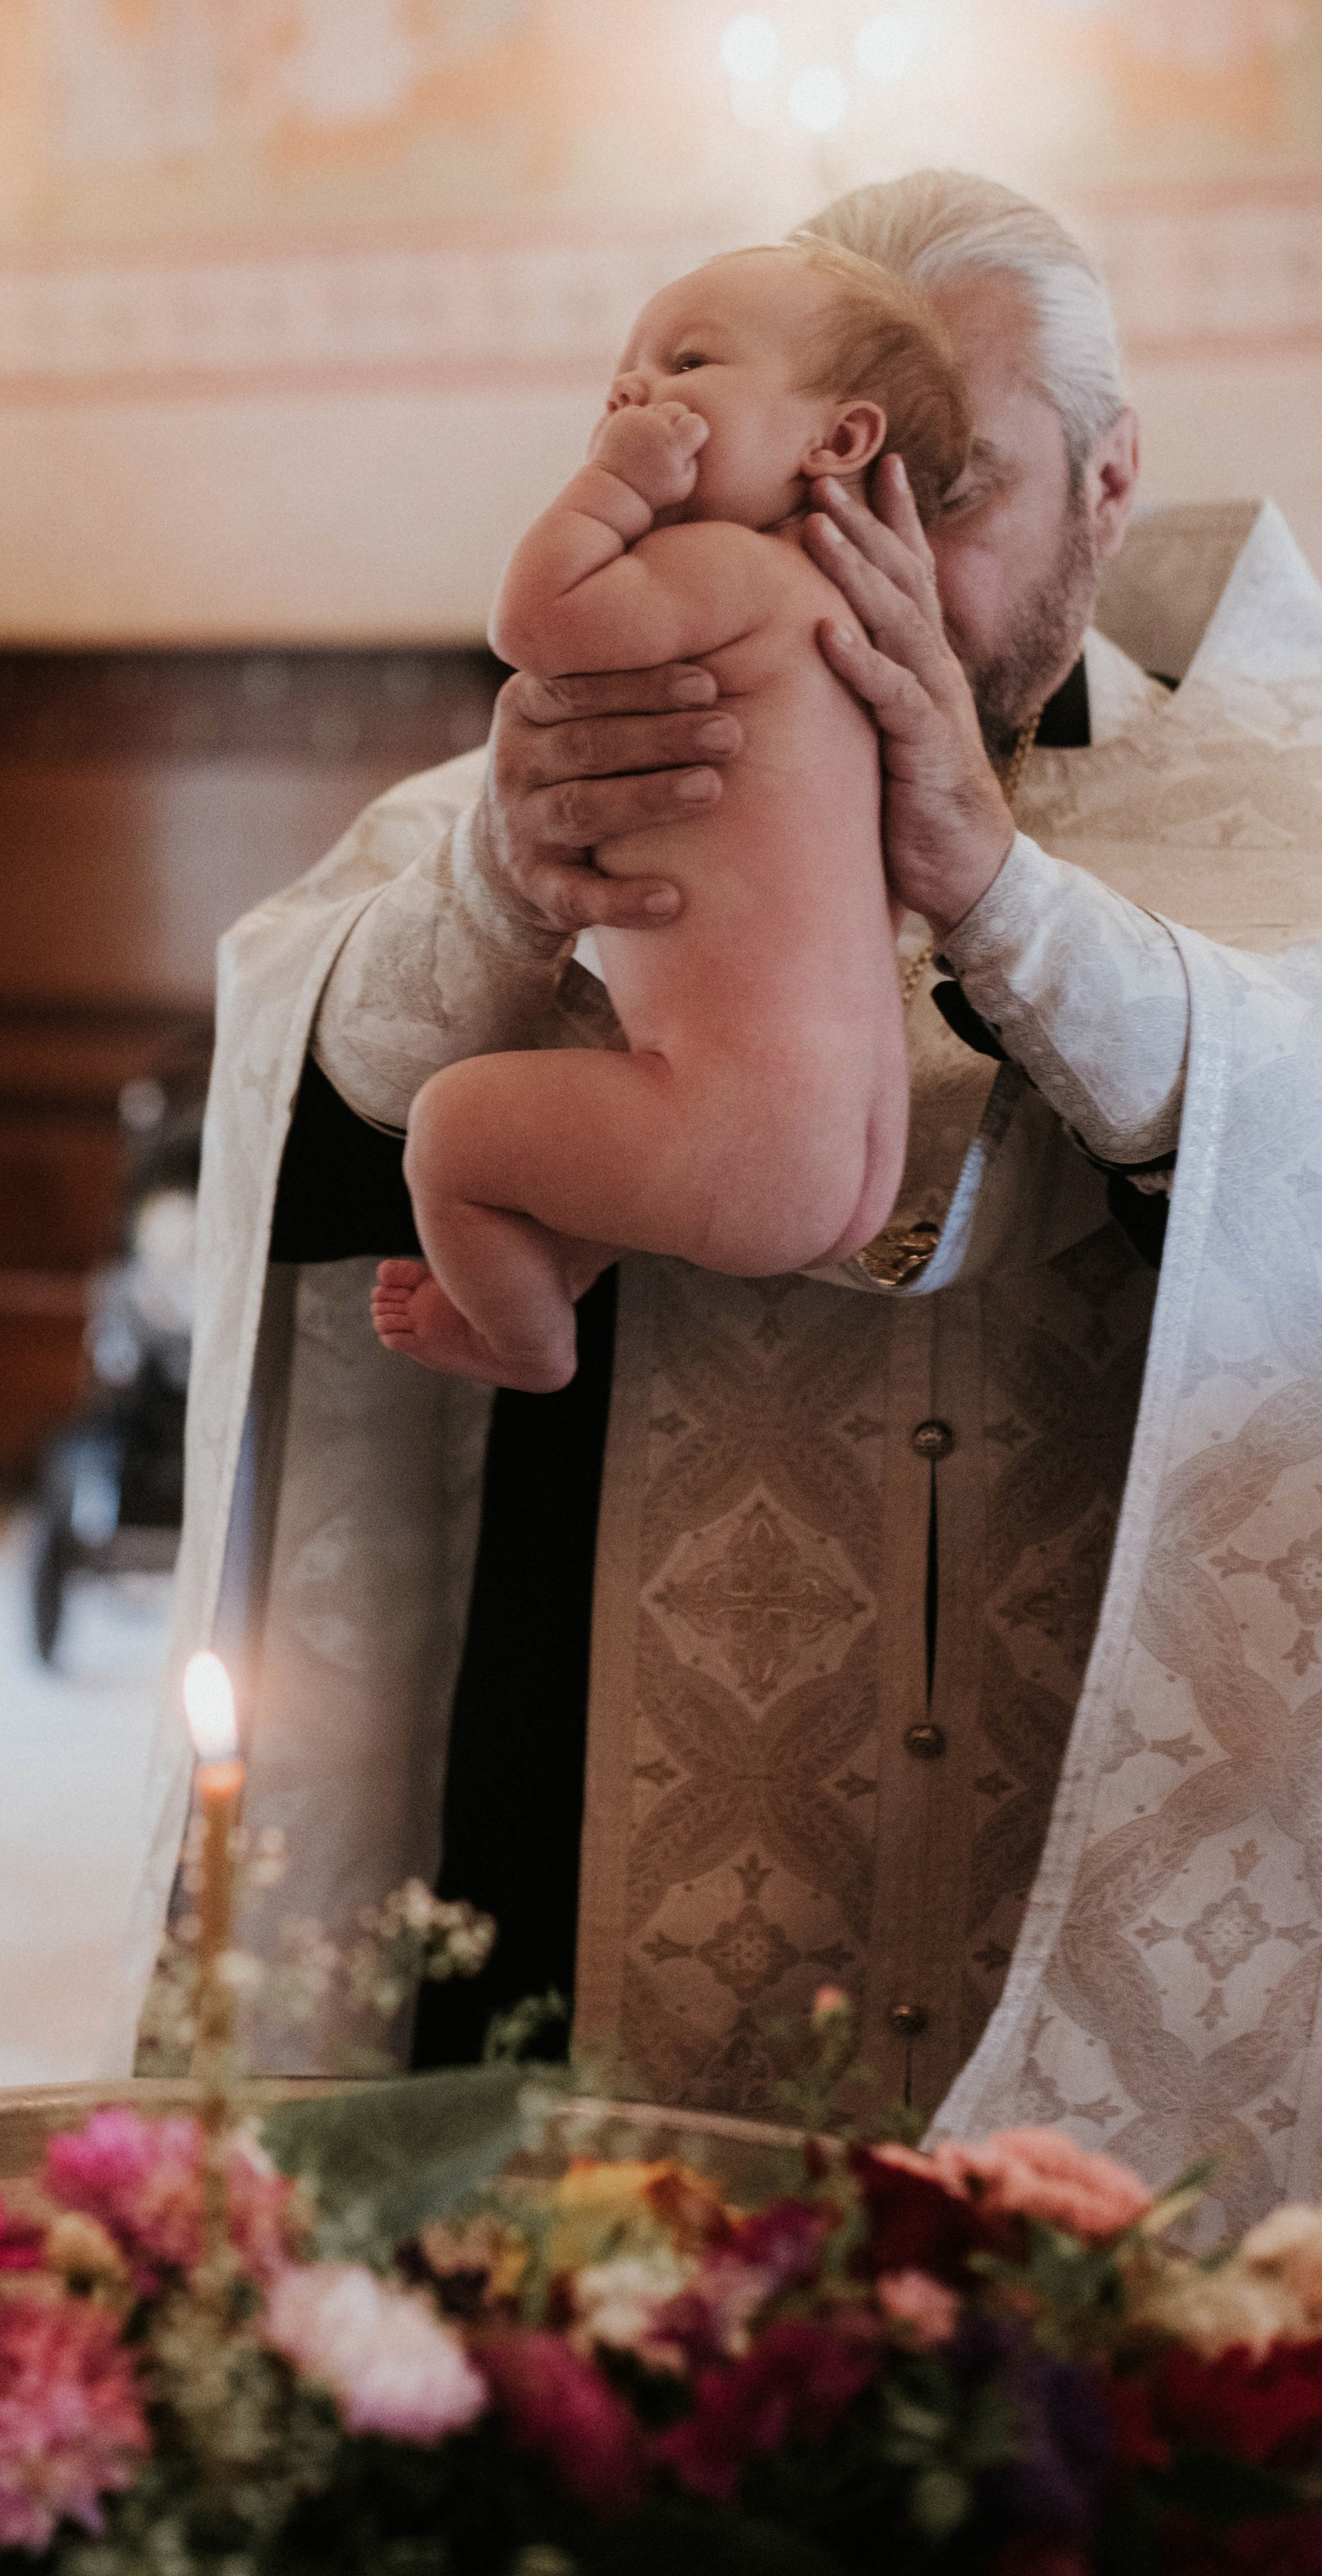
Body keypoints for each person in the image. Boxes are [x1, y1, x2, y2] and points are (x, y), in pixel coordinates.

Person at [120, 170, 1322, 2237]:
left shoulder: (1270, 817)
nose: (866, 577)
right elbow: (306, 1107)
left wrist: (1000, 896)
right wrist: (506, 878)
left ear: (1109, 489)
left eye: (949, 497)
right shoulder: (606, 734)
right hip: (615, 1832)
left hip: (1076, 1800)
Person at [373, 243, 968, 1391]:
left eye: (688, 361)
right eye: (625, 369)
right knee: (597, 1132)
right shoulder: (856, 630)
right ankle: (565, 1259)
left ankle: (525, 1343)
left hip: (730, 1123)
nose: (631, 392)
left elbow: (535, 619)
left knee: (450, 1132)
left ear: (837, 441)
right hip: (851, 1147)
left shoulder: (722, 570)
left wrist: (610, 486)